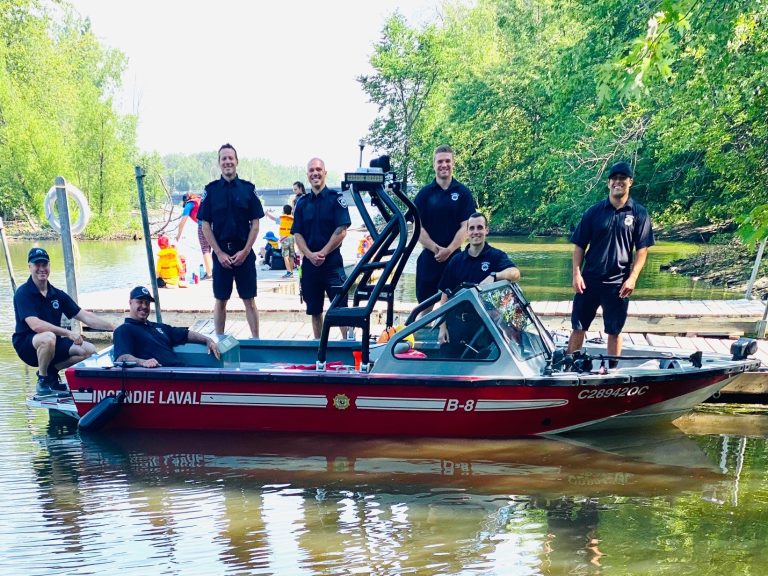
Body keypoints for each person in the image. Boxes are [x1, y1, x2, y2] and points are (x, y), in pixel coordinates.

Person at [566, 161, 655, 365]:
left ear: (630, 182)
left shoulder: (639, 213)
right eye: (614, 178)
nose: (618, 182)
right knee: (578, 326)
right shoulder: (593, 212)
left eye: (622, 178)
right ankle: (569, 365)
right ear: (608, 183)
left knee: (614, 330)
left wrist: (632, 278)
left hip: (619, 283)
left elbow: (642, 250)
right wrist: (576, 274)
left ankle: (613, 371)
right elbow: (579, 245)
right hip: (589, 280)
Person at [12, 247, 115, 396]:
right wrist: (68, 333)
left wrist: (113, 327)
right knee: (48, 337)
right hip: (27, 345)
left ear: (49, 266)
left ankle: (52, 373)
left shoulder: (57, 294)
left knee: (89, 350)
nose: (42, 269)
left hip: (53, 343)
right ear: (30, 267)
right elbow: (36, 325)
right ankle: (43, 381)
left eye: (44, 264)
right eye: (37, 265)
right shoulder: (23, 293)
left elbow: (85, 317)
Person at [198, 143, 264, 338]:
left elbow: (256, 224)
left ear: (236, 161)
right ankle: (218, 340)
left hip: (244, 253)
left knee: (249, 301)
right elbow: (205, 225)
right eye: (224, 158)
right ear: (219, 163)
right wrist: (218, 253)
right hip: (221, 255)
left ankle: (256, 340)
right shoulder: (210, 191)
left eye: (230, 158)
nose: (227, 162)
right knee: (220, 300)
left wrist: (245, 251)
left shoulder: (248, 189)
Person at [437, 212, 520, 350]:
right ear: (467, 232)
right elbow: (445, 296)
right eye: (472, 228)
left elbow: (515, 273)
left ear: (486, 230)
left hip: (486, 325)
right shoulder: (456, 261)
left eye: (480, 227)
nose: (476, 232)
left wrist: (495, 276)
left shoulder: (496, 256)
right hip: (458, 324)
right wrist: (442, 327)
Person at [291, 157, 352, 339]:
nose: (315, 173)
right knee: (315, 310)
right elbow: (297, 233)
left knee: (340, 309)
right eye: (311, 170)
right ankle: (318, 348)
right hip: (310, 266)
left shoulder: (336, 199)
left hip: (332, 264)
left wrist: (323, 252)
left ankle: (347, 348)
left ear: (325, 173)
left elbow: (342, 230)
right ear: (307, 175)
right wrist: (309, 255)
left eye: (318, 169)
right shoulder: (302, 203)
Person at [414, 144, 477, 309]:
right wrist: (436, 250)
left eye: (447, 161)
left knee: (453, 308)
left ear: (453, 163)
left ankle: (450, 334)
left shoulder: (463, 193)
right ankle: (422, 333)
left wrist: (449, 250)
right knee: (424, 307)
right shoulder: (424, 194)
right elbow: (417, 229)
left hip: (455, 259)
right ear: (434, 164)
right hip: (429, 258)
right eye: (440, 161)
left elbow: (466, 227)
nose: (444, 165)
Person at [113, 286, 220, 368]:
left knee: (214, 370)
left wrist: (207, 340)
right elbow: (121, 358)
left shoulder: (158, 327)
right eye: (140, 302)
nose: (144, 306)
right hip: (164, 377)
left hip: (182, 370)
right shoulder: (124, 330)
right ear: (130, 302)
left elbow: (185, 334)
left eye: (147, 303)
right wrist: (143, 362)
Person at [175, 191, 212, 280]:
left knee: (205, 249)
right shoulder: (201, 199)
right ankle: (219, 271)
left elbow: (182, 223)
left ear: (186, 200)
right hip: (215, 224)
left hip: (203, 226)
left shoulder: (190, 204)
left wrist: (178, 237)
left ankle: (209, 274)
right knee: (213, 248)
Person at [265, 204, 296, 277]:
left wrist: (267, 213)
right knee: (291, 256)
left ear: (283, 211)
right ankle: (291, 272)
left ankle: (288, 272)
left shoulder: (281, 218)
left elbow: (272, 218)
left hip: (284, 239)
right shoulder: (293, 219)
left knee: (285, 256)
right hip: (292, 238)